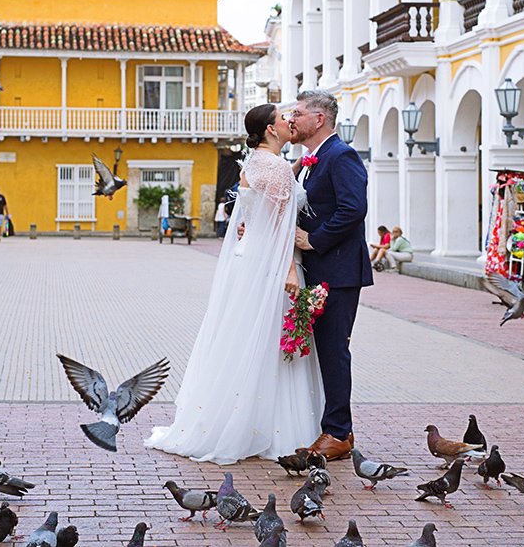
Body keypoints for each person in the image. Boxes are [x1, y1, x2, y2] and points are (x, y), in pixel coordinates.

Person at [145, 104, 322, 464]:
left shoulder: (253, 164)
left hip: (249, 259)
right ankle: (271, 428)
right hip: (272, 263)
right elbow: (281, 228)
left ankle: (233, 417)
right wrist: (290, 269)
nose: (290, 122)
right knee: (271, 339)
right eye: (283, 119)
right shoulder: (274, 169)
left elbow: (255, 217)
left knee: (245, 338)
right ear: (271, 131)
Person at [290, 89, 372, 461]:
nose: (292, 119)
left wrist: (314, 240)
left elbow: (354, 209)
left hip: (338, 270)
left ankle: (339, 432)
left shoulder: (342, 155)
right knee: (324, 350)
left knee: (334, 351)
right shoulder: (313, 158)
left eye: (299, 113)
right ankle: (334, 426)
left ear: (319, 119)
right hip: (321, 269)